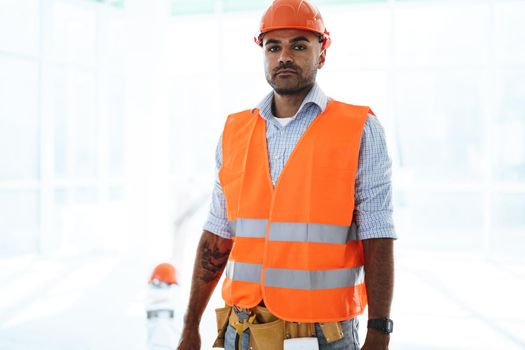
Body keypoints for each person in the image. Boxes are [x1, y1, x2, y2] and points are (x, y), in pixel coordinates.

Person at [177, 0, 396, 349]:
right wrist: (190, 324)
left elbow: (378, 232)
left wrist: (379, 330)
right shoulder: (234, 131)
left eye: (298, 45)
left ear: (321, 53)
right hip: (242, 328)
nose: (284, 57)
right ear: (263, 53)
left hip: (323, 335)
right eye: (273, 46)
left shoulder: (360, 129)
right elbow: (218, 232)